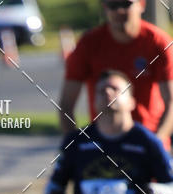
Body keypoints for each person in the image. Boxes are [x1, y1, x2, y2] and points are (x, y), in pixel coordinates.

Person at [59, 0, 173, 147]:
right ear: (105, 7)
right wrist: (74, 146)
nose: (119, 11)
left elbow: (171, 102)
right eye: (112, 5)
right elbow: (66, 104)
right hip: (103, 144)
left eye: (126, 4)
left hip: (147, 140)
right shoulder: (89, 44)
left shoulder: (158, 42)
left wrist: (157, 141)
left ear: (141, 5)